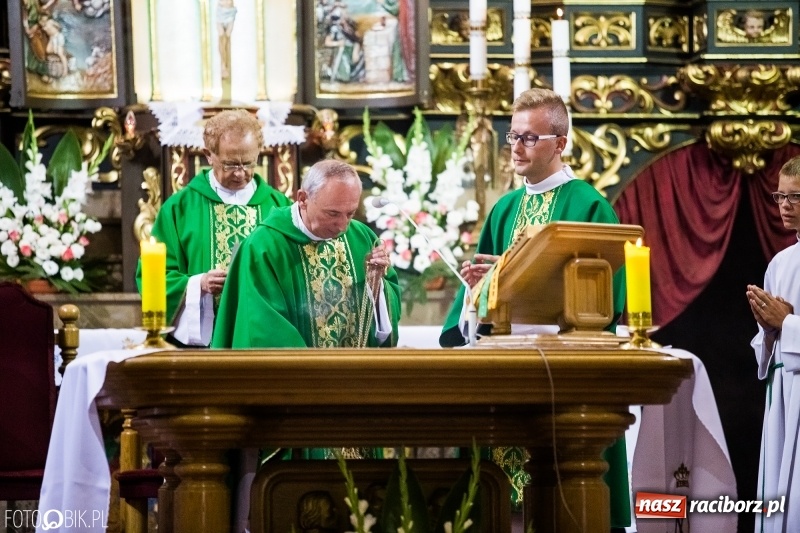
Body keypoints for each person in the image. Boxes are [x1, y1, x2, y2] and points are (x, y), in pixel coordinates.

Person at [438, 87, 630, 529]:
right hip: (506, 368)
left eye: (529, 138)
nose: (517, 148)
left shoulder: (588, 206)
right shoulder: (506, 208)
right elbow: (479, 299)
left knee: (562, 497)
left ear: (559, 143)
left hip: (562, 372)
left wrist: (513, 281)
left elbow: (605, 299)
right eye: (513, 137)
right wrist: (478, 291)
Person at [136, 108, 291, 347]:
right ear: (209, 155)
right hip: (200, 346)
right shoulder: (180, 208)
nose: (241, 174)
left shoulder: (278, 207)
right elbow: (153, 276)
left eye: (249, 163)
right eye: (230, 164)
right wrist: (199, 283)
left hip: (262, 341)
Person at [211, 158, 401, 349]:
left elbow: (384, 316)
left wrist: (376, 287)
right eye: (332, 214)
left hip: (354, 374)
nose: (343, 226)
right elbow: (262, 329)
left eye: (350, 213)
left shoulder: (362, 238)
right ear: (303, 199)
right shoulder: (263, 247)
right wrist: (314, 372)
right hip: (298, 375)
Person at [746, 155, 800, 533]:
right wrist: (768, 330)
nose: (784, 205)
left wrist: (787, 323)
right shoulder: (781, 264)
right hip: (783, 395)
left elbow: (787, 326)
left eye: (795, 197)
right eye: (779, 196)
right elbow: (767, 349)